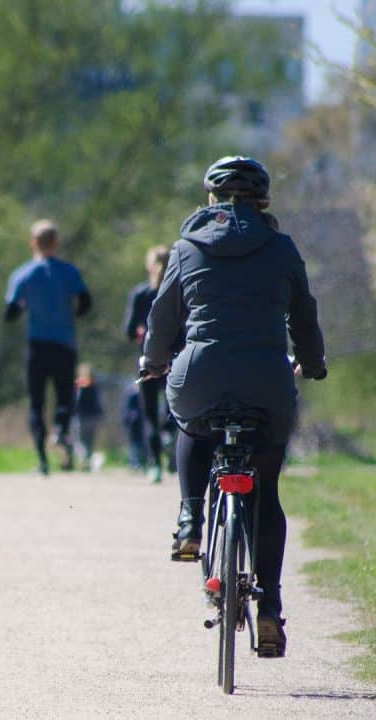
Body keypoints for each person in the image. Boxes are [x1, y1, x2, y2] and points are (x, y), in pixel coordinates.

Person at [140, 156, 326, 658]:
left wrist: (152, 363)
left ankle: (190, 519)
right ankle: (269, 608)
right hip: (267, 380)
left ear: (211, 200)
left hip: (201, 375)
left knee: (191, 422)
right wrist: (312, 363)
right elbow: (304, 316)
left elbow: (162, 318)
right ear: (263, 202)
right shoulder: (282, 248)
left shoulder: (185, 247)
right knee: (267, 491)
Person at [4, 219, 92, 475]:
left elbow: (9, 313)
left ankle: (43, 461)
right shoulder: (69, 272)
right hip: (64, 343)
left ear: (33, 243)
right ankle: (61, 430)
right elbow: (86, 303)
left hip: (37, 346)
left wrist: (25, 306)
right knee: (65, 397)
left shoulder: (22, 274)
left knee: (37, 402)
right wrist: (69, 311)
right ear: (56, 242)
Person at [123, 245, 175, 484]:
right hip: (175, 358)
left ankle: (155, 464)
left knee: (149, 415)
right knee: (174, 407)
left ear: (148, 265)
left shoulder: (141, 294)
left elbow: (129, 330)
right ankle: (170, 437)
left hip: (147, 360)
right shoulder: (177, 291)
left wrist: (140, 332)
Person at [72, 364, 104, 471]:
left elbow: (76, 401)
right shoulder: (94, 385)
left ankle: (85, 460)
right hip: (93, 417)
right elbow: (98, 401)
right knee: (89, 441)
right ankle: (88, 462)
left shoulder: (79, 384)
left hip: (82, 416)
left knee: (79, 441)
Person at [120, 385, 148, 471]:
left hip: (138, 423)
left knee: (138, 444)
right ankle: (135, 463)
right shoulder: (133, 393)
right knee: (135, 444)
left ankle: (137, 463)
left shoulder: (133, 393)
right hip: (134, 424)